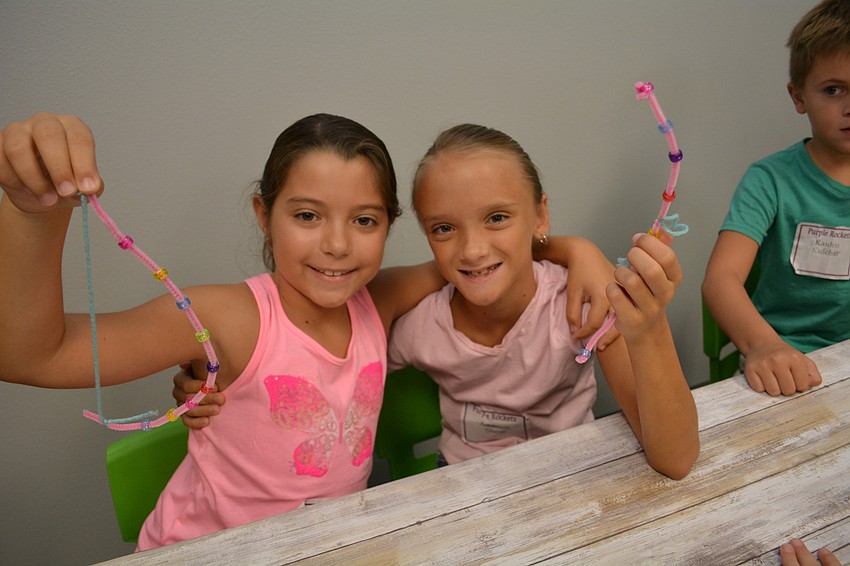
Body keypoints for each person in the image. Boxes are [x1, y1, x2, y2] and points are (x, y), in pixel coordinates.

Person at [0, 112, 614, 549]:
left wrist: (578, 250)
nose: (338, 245)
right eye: (307, 216)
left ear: (390, 225)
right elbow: (36, 356)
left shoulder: (380, 300)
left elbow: (482, 256)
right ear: (263, 214)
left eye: (365, 220)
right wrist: (36, 214)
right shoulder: (228, 319)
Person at [179, 123, 700, 480]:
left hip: (577, 488)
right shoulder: (418, 325)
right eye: (445, 228)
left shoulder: (581, 304)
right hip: (459, 499)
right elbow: (306, 347)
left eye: (497, 217)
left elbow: (675, 459)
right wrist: (209, 375)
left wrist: (646, 327)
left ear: (540, 217)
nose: (472, 250)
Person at [703, 0, 850, 396]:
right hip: (781, 359)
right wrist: (762, 345)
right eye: (834, 90)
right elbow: (721, 278)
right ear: (799, 97)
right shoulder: (770, 179)